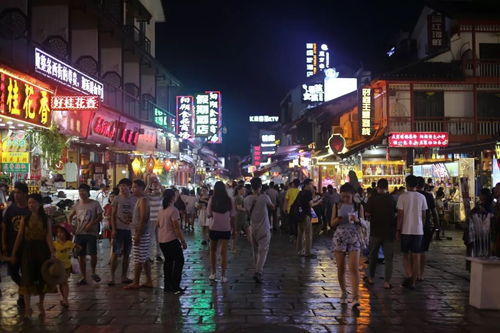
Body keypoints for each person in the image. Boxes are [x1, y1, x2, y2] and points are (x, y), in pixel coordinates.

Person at [10, 193, 56, 318]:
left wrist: (52, 252)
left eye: (33, 202)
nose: (31, 205)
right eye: (29, 203)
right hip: (28, 250)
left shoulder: (46, 219)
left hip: (42, 250)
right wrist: (14, 253)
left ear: (39, 204)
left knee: (42, 277)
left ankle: (41, 304)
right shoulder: (25, 218)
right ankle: (28, 307)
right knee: (26, 277)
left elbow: (48, 237)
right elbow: (20, 237)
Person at [330, 183, 364, 307]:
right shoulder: (336, 205)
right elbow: (332, 223)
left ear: (352, 196)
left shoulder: (358, 206)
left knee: (354, 268)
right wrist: (338, 219)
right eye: (342, 196)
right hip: (340, 237)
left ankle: (356, 296)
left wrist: (357, 220)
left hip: (354, 237)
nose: (344, 199)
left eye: (347, 197)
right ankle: (344, 292)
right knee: (341, 268)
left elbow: (364, 222)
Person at [1, 182, 30, 308]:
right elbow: (4, 227)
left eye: (18, 192)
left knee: (25, 271)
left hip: (28, 246)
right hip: (12, 245)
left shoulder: (30, 209)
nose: (16, 195)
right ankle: (23, 289)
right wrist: (4, 243)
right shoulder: (10, 210)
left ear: (25, 194)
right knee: (13, 272)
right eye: (15, 192)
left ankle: (23, 295)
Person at [396, 175, 427, 290]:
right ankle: (413, 281)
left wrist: (398, 230)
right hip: (418, 230)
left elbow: (400, 215)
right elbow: (424, 215)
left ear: (406, 184)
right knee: (416, 256)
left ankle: (409, 275)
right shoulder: (421, 197)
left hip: (406, 229)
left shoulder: (402, 197)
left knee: (405, 254)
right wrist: (421, 226)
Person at [68, 183, 103, 285]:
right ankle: (83, 276)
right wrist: (71, 227)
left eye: (83, 191)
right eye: (80, 191)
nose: (81, 193)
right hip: (79, 233)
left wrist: (91, 223)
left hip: (91, 233)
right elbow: (70, 216)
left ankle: (93, 272)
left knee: (93, 254)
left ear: (88, 192)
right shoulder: (77, 204)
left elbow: (100, 216)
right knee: (81, 255)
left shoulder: (95, 203)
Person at [365, 179, 396, 289]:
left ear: (378, 187)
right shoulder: (391, 199)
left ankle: (371, 278)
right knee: (388, 258)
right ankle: (387, 282)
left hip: (375, 231)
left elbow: (367, 214)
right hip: (389, 232)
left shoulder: (372, 199)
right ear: (387, 187)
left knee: (373, 256)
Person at [157, 189, 187, 294]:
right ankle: (175, 285)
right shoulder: (173, 210)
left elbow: (158, 225)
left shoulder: (161, 210)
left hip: (162, 240)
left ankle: (167, 285)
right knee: (179, 261)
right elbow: (176, 228)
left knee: (168, 262)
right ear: (172, 198)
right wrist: (182, 241)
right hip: (171, 239)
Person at [244, 177, 274, 283]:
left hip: (252, 228)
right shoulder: (265, 197)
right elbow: (272, 207)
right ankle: (258, 271)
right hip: (264, 228)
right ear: (260, 186)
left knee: (255, 251)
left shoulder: (246, 199)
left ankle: (256, 269)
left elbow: (247, 212)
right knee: (263, 251)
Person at [124, 180, 152, 289]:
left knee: (138, 258)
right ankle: (149, 280)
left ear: (141, 188)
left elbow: (144, 218)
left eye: (135, 187)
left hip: (141, 233)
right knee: (144, 258)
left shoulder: (143, 200)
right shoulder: (140, 200)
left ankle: (136, 281)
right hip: (139, 231)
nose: (132, 189)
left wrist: (138, 235)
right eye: (132, 187)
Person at [109, 178, 137, 286]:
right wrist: (114, 229)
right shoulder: (117, 199)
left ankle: (124, 276)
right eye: (121, 186)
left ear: (129, 187)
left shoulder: (134, 199)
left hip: (130, 229)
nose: (122, 188)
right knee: (116, 253)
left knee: (127, 253)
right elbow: (113, 214)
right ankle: (112, 277)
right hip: (119, 229)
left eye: (125, 185)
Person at [207, 181, 236, 283]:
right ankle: (223, 275)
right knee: (224, 253)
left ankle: (213, 273)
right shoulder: (229, 200)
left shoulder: (212, 199)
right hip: (225, 228)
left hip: (214, 228)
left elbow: (208, 214)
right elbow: (233, 216)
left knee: (212, 251)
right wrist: (234, 230)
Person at [416, 177, 438, 281]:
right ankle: (421, 273)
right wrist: (437, 224)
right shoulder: (428, 196)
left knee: (414, 251)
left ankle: (413, 273)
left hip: (414, 225)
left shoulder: (413, 196)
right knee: (423, 251)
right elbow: (434, 211)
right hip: (426, 226)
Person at [53, 223, 75, 307]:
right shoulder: (54, 244)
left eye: (62, 232)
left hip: (67, 266)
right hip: (58, 266)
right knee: (60, 283)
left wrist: (73, 253)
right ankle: (63, 298)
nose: (59, 234)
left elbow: (78, 248)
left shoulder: (69, 243)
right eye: (58, 232)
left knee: (64, 282)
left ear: (66, 234)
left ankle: (65, 299)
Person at [293, 179, 317, 258]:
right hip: (306, 215)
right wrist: (318, 201)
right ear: (307, 184)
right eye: (311, 184)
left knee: (300, 234)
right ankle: (307, 252)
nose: (312, 186)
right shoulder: (308, 193)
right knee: (308, 234)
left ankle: (299, 251)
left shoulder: (300, 192)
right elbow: (311, 205)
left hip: (299, 215)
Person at [146, 177, 164, 262]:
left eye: (157, 187)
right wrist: (149, 183)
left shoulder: (161, 197)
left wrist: (158, 182)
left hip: (160, 220)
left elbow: (164, 191)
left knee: (159, 238)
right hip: (151, 219)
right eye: (154, 187)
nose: (156, 188)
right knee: (150, 238)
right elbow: (145, 193)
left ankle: (158, 254)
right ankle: (149, 256)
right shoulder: (149, 197)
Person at [233, 185, 250, 252]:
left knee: (248, 231)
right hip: (240, 217)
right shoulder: (239, 198)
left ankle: (253, 245)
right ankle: (234, 247)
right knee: (237, 232)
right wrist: (246, 209)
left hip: (242, 217)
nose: (244, 191)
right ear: (239, 190)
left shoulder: (240, 197)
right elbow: (238, 207)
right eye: (243, 189)